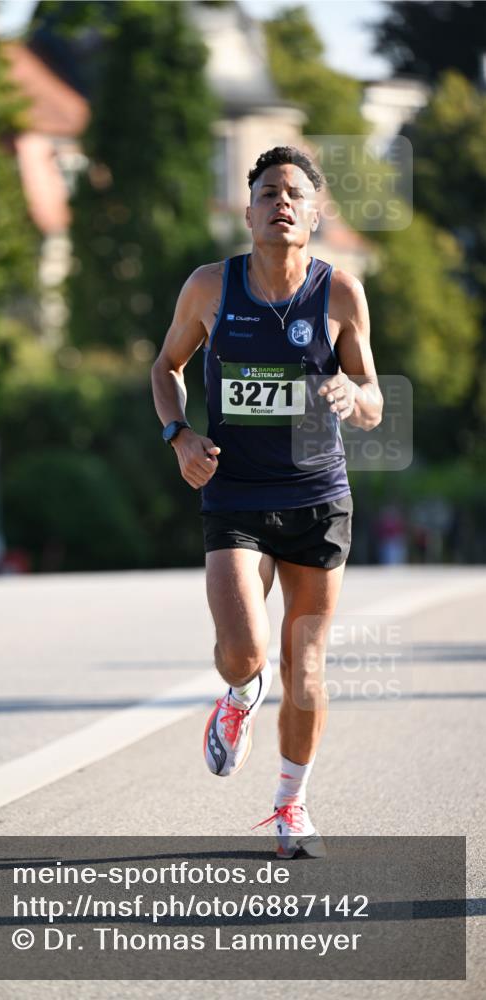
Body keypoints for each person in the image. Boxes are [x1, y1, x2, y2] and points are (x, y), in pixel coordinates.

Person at [151, 146, 382, 858]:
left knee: (306, 667)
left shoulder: (339, 293)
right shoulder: (208, 288)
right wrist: (178, 434)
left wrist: (354, 395)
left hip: (316, 497)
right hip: (234, 493)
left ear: (312, 217)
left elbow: (372, 397)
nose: (280, 202)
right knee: (244, 650)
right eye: (266, 192)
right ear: (247, 212)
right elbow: (166, 367)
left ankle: (289, 806)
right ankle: (239, 696)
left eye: (293, 194)